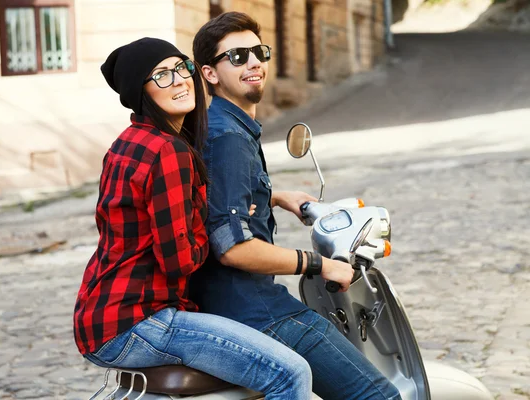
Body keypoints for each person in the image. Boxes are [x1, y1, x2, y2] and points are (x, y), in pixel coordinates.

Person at [72, 37, 313, 399]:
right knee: (290, 373)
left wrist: (271, 197)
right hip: (141, 320)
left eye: (181, 67)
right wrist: (211, 221)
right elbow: (179, 260)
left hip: (100, 316)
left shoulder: (129, 142)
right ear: (142, 92)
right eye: (162, 75)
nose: (181, 80)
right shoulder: (169, 152)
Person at [190, 12, 402, 400]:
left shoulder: (224, 125)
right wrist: (322, 263)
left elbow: (216, 197)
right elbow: (233, 248)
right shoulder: (227, 138)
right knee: (379, 397)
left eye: (259, 52)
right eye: (237, 56)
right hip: (256, 311)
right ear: (210, 74)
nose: (254, 62)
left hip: (230, 305)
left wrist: (273, 195)